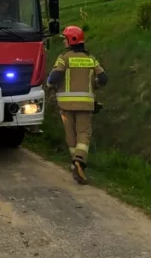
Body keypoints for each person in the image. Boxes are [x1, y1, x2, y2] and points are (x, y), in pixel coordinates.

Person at [46, 25, 108, 185]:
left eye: (65, 39)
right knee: (83, 133)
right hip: (85, 105)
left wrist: (50, 85)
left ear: (71, 40)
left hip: (66, 106)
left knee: (70, 135)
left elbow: (54, 78)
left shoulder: (64, 58)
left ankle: (75, 163)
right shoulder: (91, 59)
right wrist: (93, 84)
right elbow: (103, 79)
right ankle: (80, 161)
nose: (64, 42)